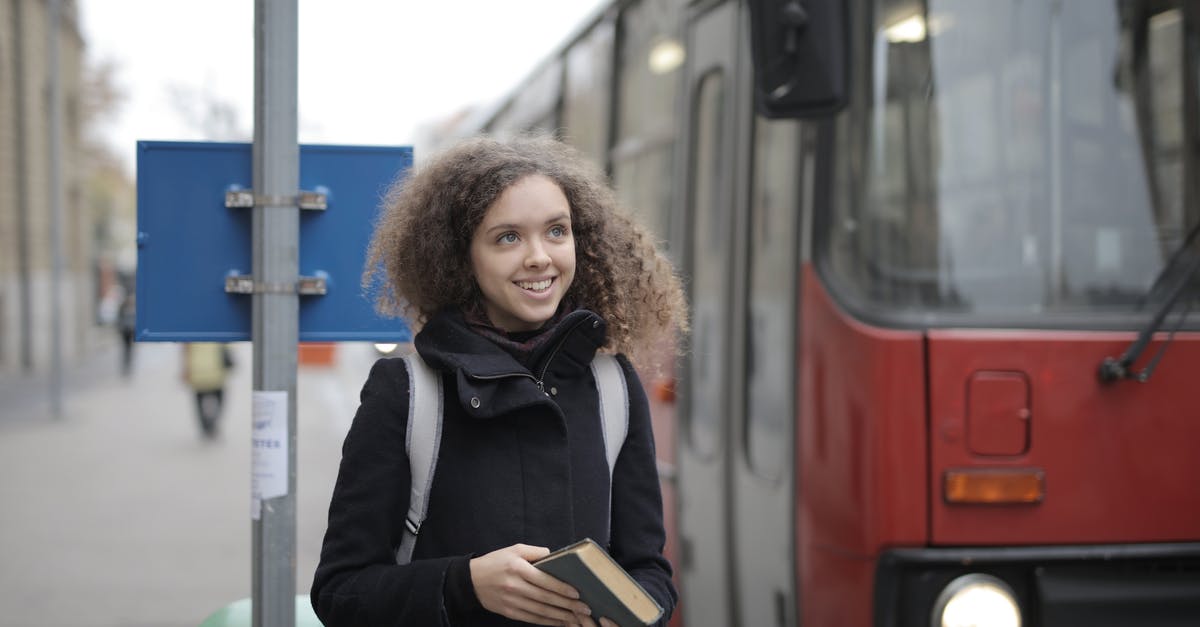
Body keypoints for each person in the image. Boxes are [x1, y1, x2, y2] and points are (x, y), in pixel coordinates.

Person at [311, 135, 688, 627]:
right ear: (462, 256)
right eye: (508, 237)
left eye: (557, 231)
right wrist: (465, 585)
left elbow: (649, 571)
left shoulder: (612, 386)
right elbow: (340, 592)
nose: (539, 257)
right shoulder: (406, 391)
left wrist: (636, 615)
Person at [182, 342, 232, 439]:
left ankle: (205, 426)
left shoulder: (192, 330)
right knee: (219, 398)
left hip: (198, 369)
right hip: (216, 369)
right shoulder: (218, 330)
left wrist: (186, 369)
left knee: (199, 400)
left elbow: (186, 350)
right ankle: (214, 423)